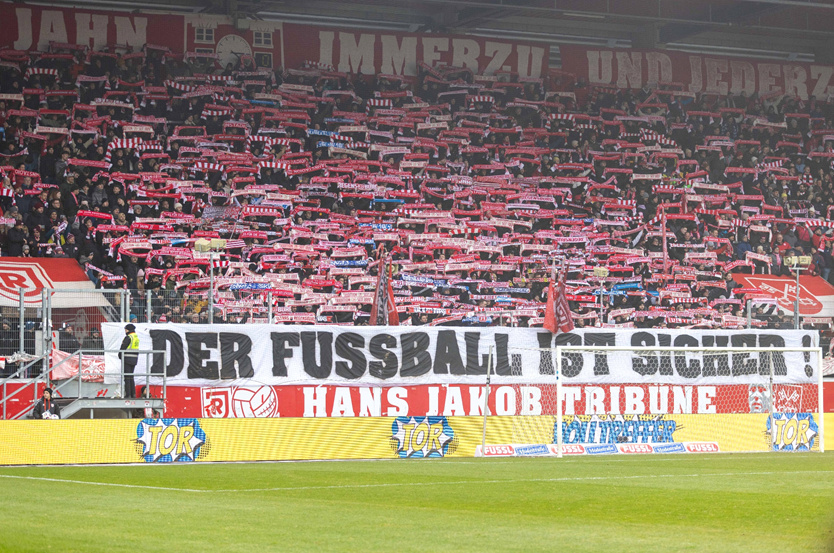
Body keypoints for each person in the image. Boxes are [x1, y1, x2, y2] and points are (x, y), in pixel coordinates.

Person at [118, 323, 139, 399]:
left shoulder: (128, 337)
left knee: (127, 377)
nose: (125, 331)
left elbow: (123, 347)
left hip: (127, 359)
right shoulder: (136, 337)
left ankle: (128, 394)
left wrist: (120, 355)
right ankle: (133, 394)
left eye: (126, 330)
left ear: (128, 330)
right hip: (134, 359)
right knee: (131, 377)